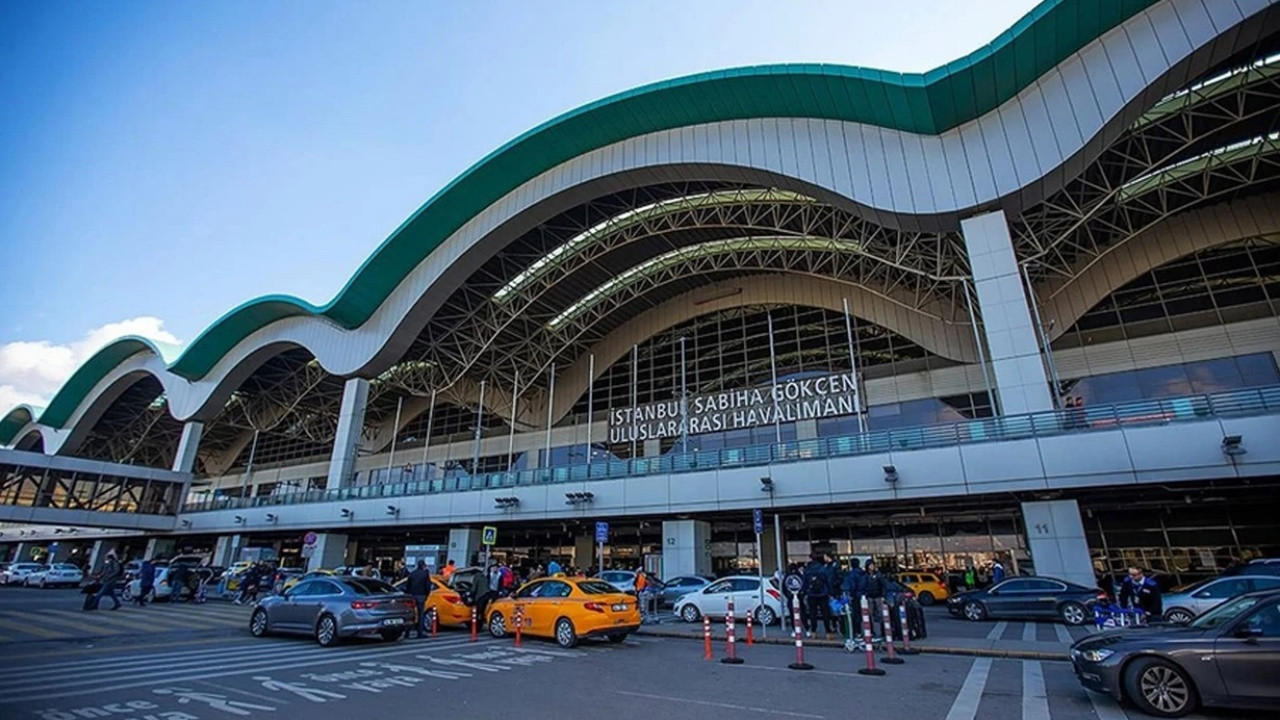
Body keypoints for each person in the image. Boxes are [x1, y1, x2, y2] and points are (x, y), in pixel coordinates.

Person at [802, 555, 835, 638]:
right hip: (823, 593)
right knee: (825, 613)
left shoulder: (807, 570)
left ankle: (814, 631)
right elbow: (828, 581)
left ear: (810, 559)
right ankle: (828, 632)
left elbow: (804, 583)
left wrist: (805, 592)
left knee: (813, 613)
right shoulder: (823, 569)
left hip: (811, 594)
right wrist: (830, 592)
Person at [406, 560, 433, 639]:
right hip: (421, 596)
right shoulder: (425, 574)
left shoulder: (412, 573)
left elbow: (408, 585)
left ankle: (407, 633)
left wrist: (409, 593)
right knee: (421, 615)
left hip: (412, 596)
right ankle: (419, 633)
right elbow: (428, 586)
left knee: (411, 615)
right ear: (423, 566)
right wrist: (427, 594)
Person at [862, 560, 887, 638]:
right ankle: (873, 631)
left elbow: (883, 585)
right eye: (870, 565)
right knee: (870, 614)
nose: (872, 567)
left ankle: (882, 631)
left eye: (873, 565)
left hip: (878, 596)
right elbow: (864, 586)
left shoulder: (878, 575)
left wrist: (883, 596)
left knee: (880, 614)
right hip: (870, 597)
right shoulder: (866, 575)